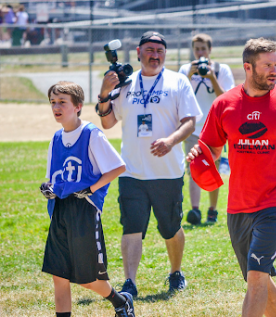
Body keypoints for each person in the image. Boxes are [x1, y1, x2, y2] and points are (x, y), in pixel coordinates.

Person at [186, 38, 276, 317]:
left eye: (275, 64)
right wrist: (200, 155)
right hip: (238, 206)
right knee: (260, 278)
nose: (273, 70)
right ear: (248, 67)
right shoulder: (223, 105)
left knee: (255, 279)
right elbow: (212, 151)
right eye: (267, 65)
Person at [96, 31, 202, 296]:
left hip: (167, 171)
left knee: (170, 228)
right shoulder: (126, 83)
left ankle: (175, 272)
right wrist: (104, 94)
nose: (155, 56)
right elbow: (107, 122)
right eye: (150, 50)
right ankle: (129, 281)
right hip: (131, 170)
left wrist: (170, 140)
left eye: (160, 51)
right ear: (138, 53)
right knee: (131, 227)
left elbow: (189, 121)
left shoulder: (177, 82)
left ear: (164, 54)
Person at [39, 81, 134, 317]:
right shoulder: (56, 138)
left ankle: (121, 301)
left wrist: (91, 189)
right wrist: (48, 188)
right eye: (53, 102)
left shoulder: (91, 134)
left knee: (87, 279)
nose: (56, 107)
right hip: (61, 211)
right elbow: (53, 177)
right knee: (59, 276)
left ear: (78, 106)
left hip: (83, 210)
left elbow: (117, 167)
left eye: (62, 102)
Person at [179, 33, 235, 224]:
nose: (200, 52)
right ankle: (194, 210)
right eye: (197, 49)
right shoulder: (185, 69)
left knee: (214, 169)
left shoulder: (221, 69)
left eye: (203, 49)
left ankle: (212, 209)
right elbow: (178, 95)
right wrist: (188, 75)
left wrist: (211, 76)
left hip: (215, 128)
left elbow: (226, 98)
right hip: (193, 127)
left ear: (210, 50)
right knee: (193, 167)